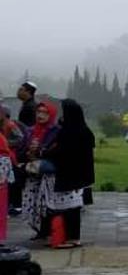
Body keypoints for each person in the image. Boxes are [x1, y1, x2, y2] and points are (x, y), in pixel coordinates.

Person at [40, 99, 95, 249]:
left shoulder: (69, 131)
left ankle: (71, 237)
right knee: (69, 207)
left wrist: (44, 153)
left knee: (69, 207)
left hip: (69, 174)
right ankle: (65, 236)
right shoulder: (84, 130)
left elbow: (62, 151)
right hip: (77, 174)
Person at [17, 101, 59, 238]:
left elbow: (55, 151)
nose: (41, 115)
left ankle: (47, 230)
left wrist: (40, 150)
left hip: (47, 173)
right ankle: (39, 230)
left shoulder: (55, 131)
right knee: (31, 202)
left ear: (51, 114)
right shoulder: (30, 131)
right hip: (32, 173)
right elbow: (20, 151)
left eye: (45, 112)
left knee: (45, 202)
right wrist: (28, 153)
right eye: (38, 112)